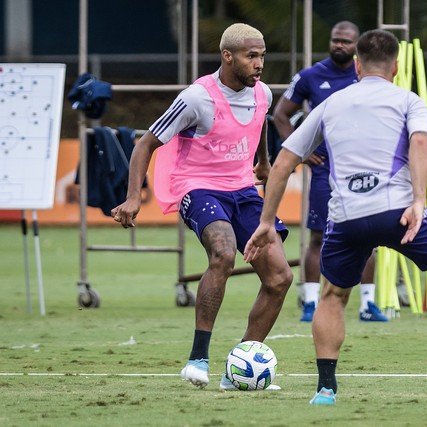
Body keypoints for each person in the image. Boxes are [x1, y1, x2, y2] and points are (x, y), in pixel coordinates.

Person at [244, 29, 427, 405]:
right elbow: (419, 143)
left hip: (347, 218)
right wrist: (418, 200)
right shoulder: (409, 100)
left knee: (332, 297)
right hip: (400, 213)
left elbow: (283, 164)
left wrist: (267, 223)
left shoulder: (330, 104)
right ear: (396, 67)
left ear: (357, 65)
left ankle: (325, 389)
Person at [111, 23, 293, 391]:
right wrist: (133, 196)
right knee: (223, 253)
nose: (259, 64)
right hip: (197, 187)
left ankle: (238, 368)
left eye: (262, 56)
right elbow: (145, 143)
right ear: (227, 56)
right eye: (251, 56)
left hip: (241, 189)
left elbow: (258, 127)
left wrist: (263, 161)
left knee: (279, 277)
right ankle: (198, 358)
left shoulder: (263, 95)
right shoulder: (197, 98)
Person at [273, 21, 387, 323]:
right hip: (325, 169)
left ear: (356, 47)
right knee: (317, 237)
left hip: (362, 167)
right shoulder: (311, 76)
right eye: (336, 40)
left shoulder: (366, 76)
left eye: (347, 42)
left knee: (369, 236)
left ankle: (368, 305)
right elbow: (280, 114)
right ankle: (310, 302)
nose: (340, 46)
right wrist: (301, 150)